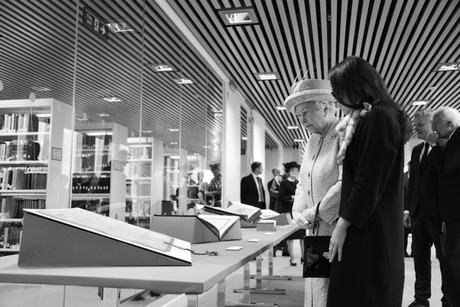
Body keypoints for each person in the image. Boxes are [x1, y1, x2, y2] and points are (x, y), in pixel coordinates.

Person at [327, 56, 408, 307]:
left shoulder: (379, 117)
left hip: (368, 229)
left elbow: (368, 180)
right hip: (370, 224)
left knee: (361, 294)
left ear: (357, 86)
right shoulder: (372, 117)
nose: (338, 98)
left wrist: (341, 226)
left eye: (340, 90)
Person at [285, 78, 342, 307]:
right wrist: (297, 210)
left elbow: (345, 183)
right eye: (299, 115)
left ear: (326, 106)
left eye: (305, 112)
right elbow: (302, 181)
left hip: (333, 229)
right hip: (313, 232)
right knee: (314, 287)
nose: (302, 120)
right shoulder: (310, 141)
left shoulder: (343, 135)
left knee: (329, 291)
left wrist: (313, 213)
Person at [405, 109, 448, 307]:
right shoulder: (415, 151)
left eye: (420, 125)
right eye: (415, 125)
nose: (416, 128)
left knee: (444, 258)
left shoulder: (444, 148)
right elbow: (413, 182)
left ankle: (449, 299)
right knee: (420, 258)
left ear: (432, 125)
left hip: (438, 214)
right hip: (417, 213)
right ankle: (421, 299)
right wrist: (407, 209)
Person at [426, 106, 460, 306]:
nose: (434, 129)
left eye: (435, 124)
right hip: (453, 212)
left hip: (457, 211)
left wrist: (434, 146)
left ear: (450, 123)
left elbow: (446, 166)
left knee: (453, 262)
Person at [277, 161, 305, 266]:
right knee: (291, 236)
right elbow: (280, 197)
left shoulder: (298, 182)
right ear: (288, 172)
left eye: (296, 170)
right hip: (288, 210)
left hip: (298, 211)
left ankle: (303, 257)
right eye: (292, 170)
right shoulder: (284, 182)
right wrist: (291, 197)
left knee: (302, 235)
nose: (294, 172)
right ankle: (292, 258)